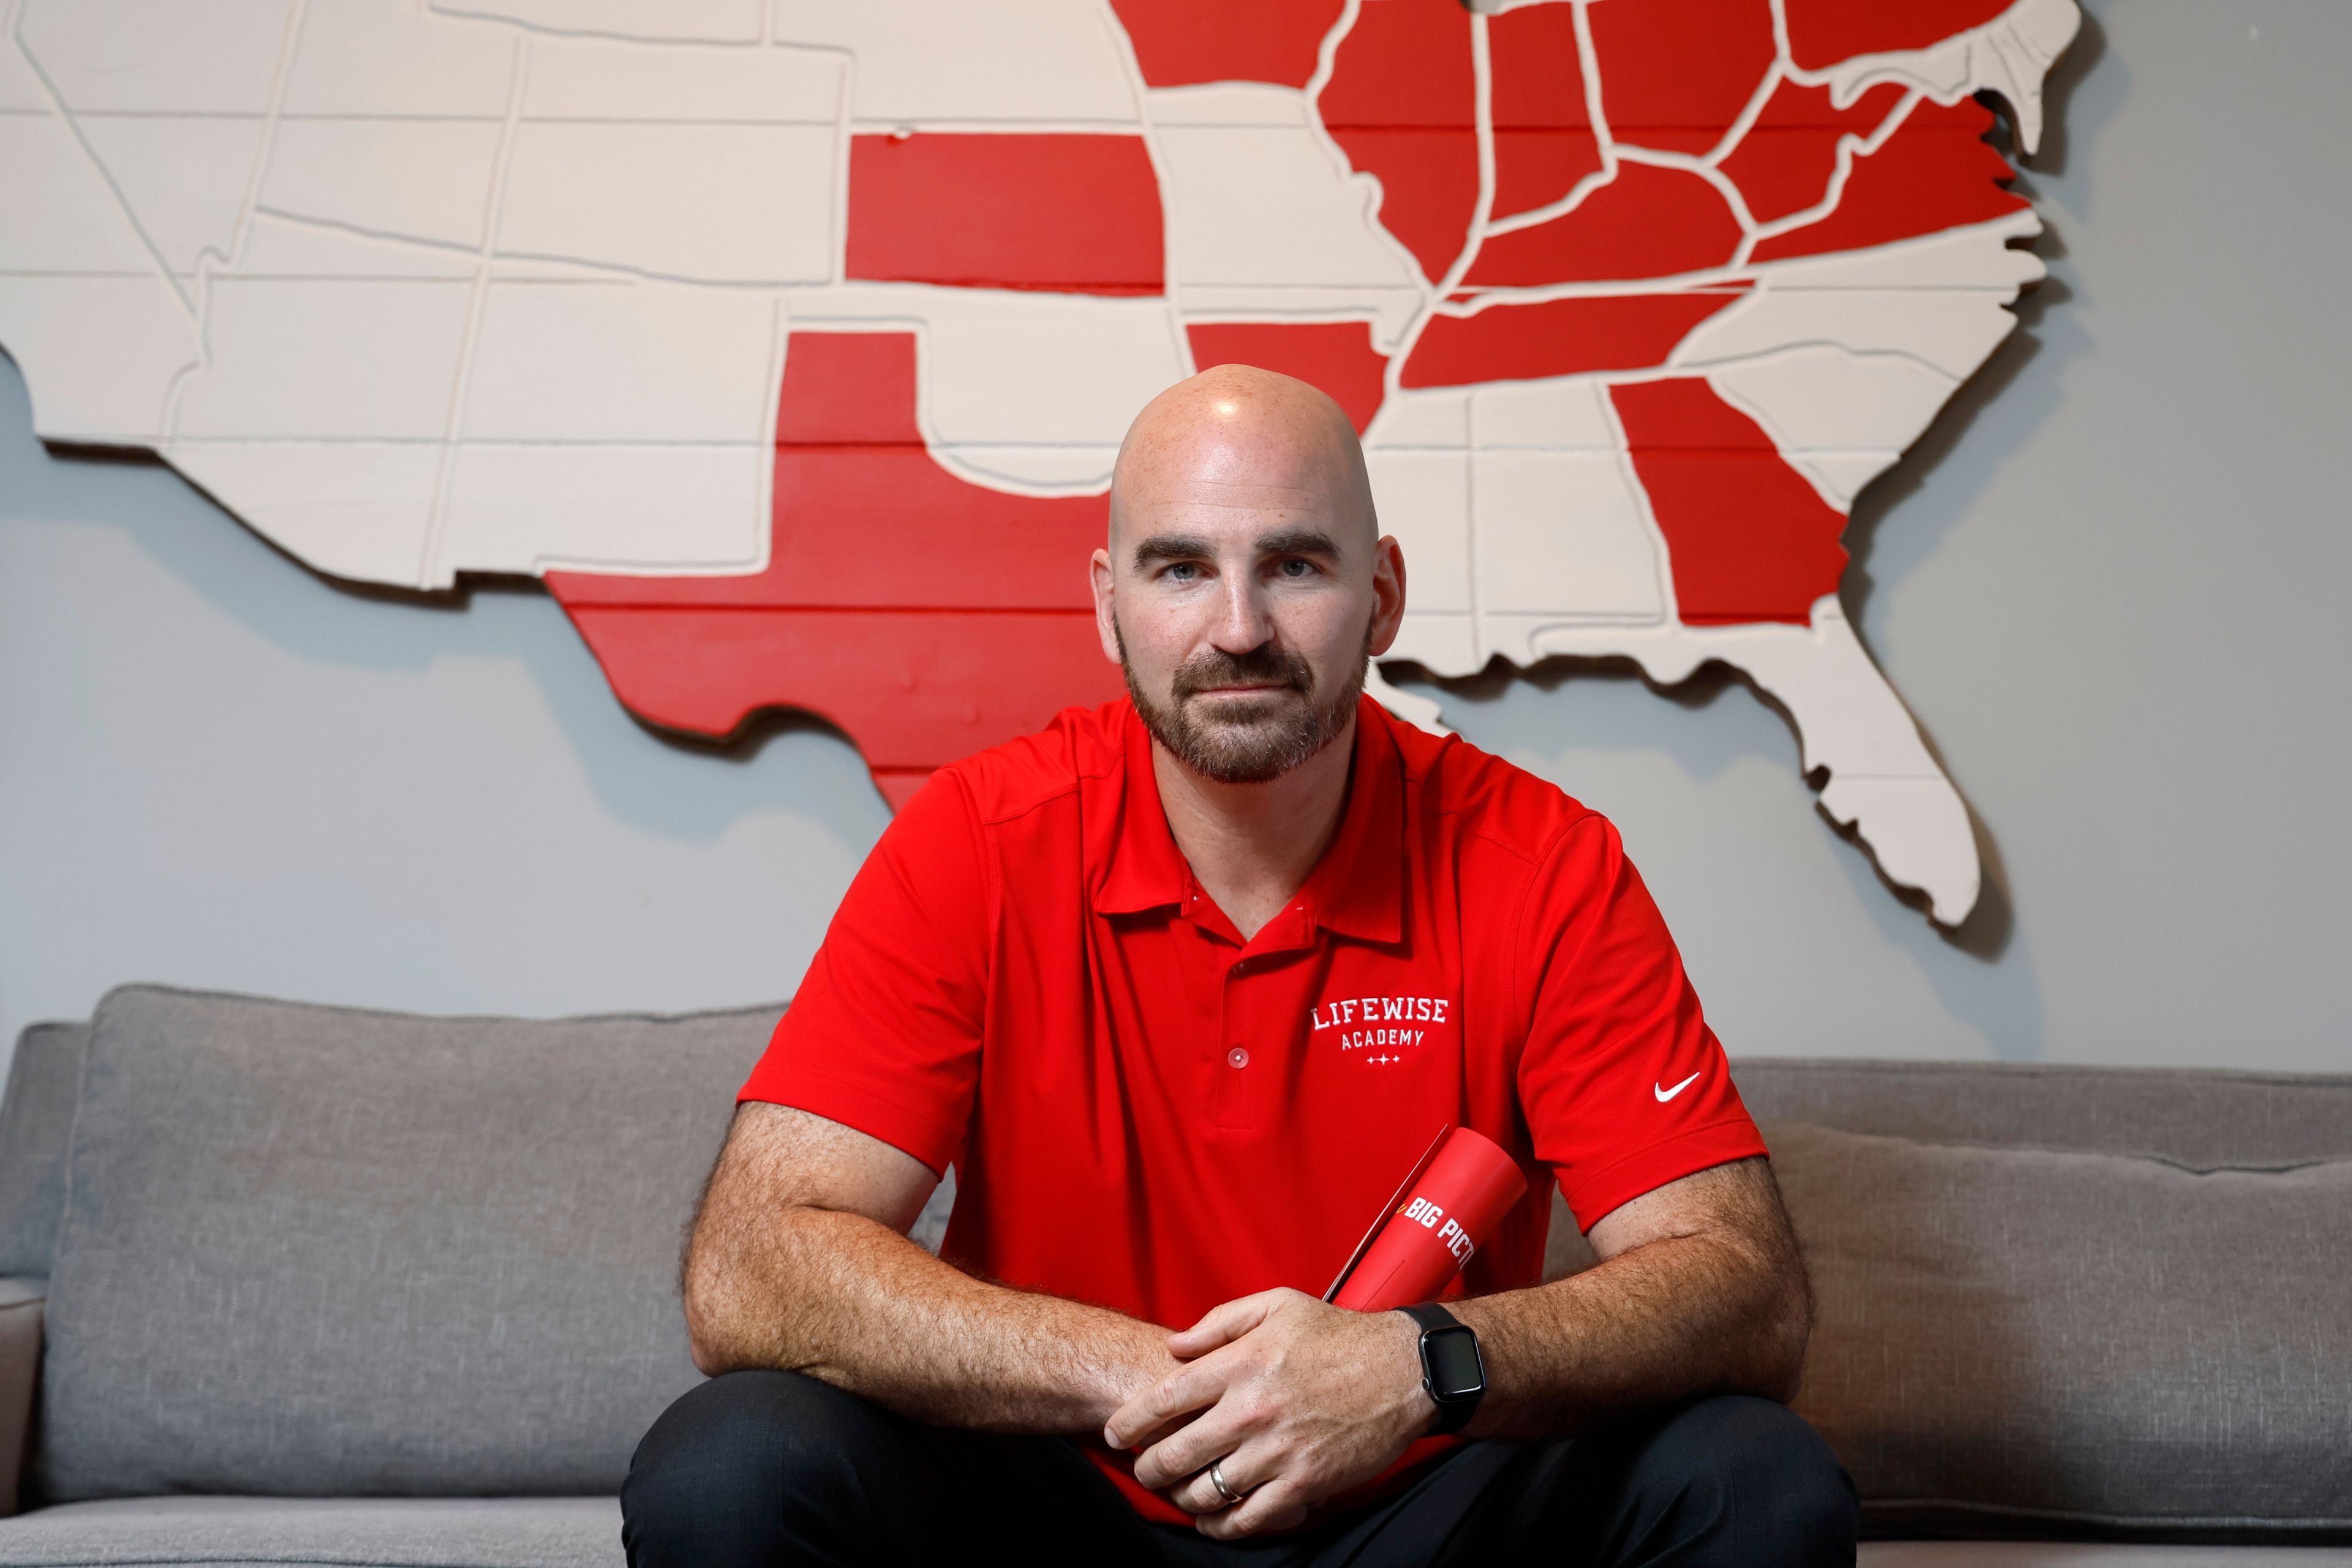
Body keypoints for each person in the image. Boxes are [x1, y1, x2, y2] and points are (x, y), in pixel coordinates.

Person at [621, 366, 1857, 1567]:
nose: (1239, 627)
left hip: (1423, 1497)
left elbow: (1747, 1289)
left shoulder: (1543, 863)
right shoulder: (977, 838)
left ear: (1383, 594)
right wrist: (1162, 1376)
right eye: (1181, 567)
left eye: (1296, 564)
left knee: (1755, 1473)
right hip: (1064, 1493)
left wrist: (1410, 1364)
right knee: (731, 1459)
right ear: (1109, 600)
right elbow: (748, 1265)